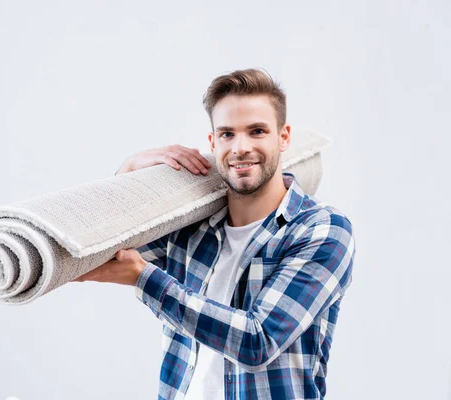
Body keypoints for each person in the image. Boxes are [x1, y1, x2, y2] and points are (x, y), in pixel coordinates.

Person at [72, 68, 355, 400]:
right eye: (227, 134)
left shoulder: (320, 230)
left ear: (284, 137)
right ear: (212, 142)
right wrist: (129, 171)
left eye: (257, 131)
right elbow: (94, 251)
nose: (241, 147)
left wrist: (144, 278)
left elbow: (258, 341)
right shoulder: (190, 229)